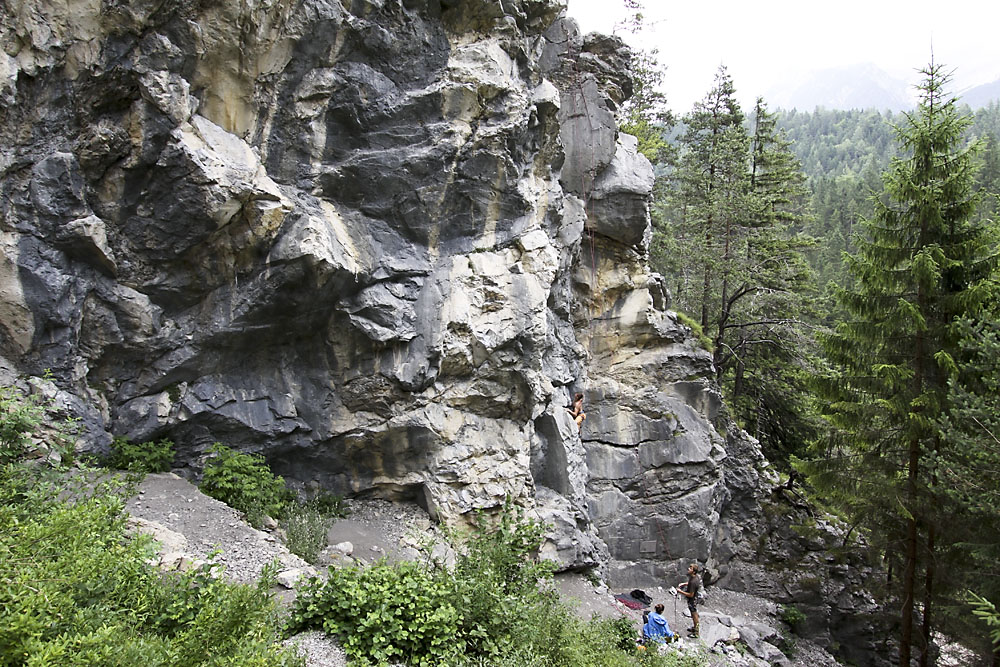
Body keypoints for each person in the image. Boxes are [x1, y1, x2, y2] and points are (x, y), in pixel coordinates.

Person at [678, 563, 701, 638]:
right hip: (694, 598)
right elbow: (690, 583)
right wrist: (684, 584)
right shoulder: (694, 577)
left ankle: (696, 632)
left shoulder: (693, 581)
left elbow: (690, 594)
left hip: (692, 599)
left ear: (694, 571)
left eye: (691, 568)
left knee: (694, 615)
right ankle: (695, 628)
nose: (688, 569)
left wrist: (680, 591)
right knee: (693, 614)